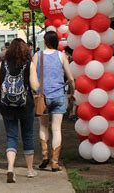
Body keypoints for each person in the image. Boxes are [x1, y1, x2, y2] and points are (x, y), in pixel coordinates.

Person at [0, 38, 39, 182]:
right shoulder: (29, 65)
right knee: (27, 135)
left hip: (7, 106)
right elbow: (34, 86)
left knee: (11, 137)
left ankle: (10, 168)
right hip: (26, 105)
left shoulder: (2, 64)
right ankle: (30, 170)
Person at [32, 31, 74, 172]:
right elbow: (70, 78)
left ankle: (44, 156)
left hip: (42, 96)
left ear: (45, 41)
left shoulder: (37, 56)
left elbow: (32, 77)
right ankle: (55, 162)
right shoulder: (62, 56)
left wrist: (34, 91)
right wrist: (72, 91)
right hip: (58, 96)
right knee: (56, 129)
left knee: (43, 127)